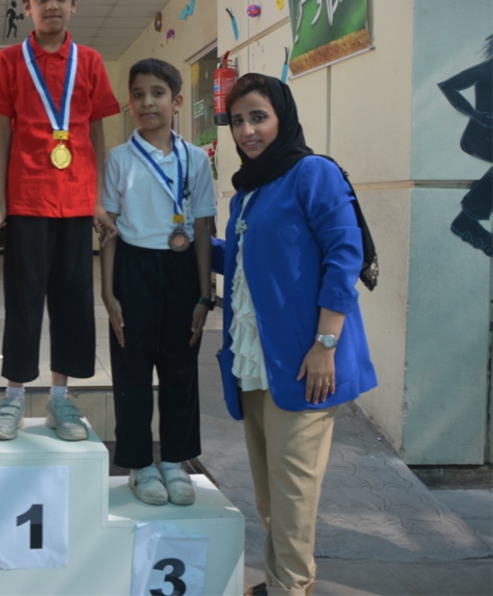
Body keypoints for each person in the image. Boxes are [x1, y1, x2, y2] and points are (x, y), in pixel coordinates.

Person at [218, 74, 377, 596]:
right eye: (238, 121)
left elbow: (344, 255)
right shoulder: (248, 192)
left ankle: (289, 588)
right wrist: (180, 244)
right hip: (256, 359)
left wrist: (325, 345)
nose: (247, 130)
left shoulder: (312, 172)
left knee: (293, 491)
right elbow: (245, 262)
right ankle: (285, 581)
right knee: (270, 490)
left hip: (305, 361)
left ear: (282, 117)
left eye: (258, 117)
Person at [0, 0, 119, 441]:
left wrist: (97, 200)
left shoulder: (90, 62)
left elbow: (95, 134)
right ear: (27, 6)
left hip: (76, 204)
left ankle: (61, 399)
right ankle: (14, 397)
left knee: (72, 301)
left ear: (74, 4)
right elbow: (1, 134)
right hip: (27, 201)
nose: (52, 5)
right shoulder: (9, 61)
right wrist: (0, 202)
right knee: (23, 301)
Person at [101, 59, 216, 506]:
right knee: (132, 368)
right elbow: (109, 229)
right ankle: (138, 464)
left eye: (157, 93)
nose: (147, 102)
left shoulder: (196, 159)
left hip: (182, 270)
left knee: (180, 367)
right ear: (130, 103)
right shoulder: (119, 158)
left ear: (177, 101)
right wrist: (108, 292)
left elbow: (202, 228)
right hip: (133, 269)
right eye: (138, 95)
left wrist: (205, 294)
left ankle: (174, 460)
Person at [439, 33, 493, 255]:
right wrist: (475, 114)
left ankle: (467, 220)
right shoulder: (486, 70)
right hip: (480, 137)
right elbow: (447, 86)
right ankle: (467, 221)